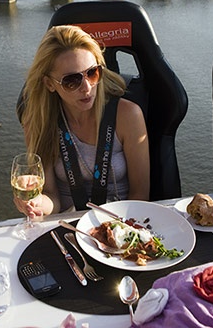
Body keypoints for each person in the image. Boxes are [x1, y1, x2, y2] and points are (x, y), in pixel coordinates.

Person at [15, 25, 150, 216]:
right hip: (65, 223)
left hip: (121, 221)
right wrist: (35, 203)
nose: (86, 87)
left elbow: (141, 193)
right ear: (50, 84)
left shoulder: (128, 116)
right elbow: (52, 197)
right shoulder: (38, 122)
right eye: (72, 80)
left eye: (92, 73)